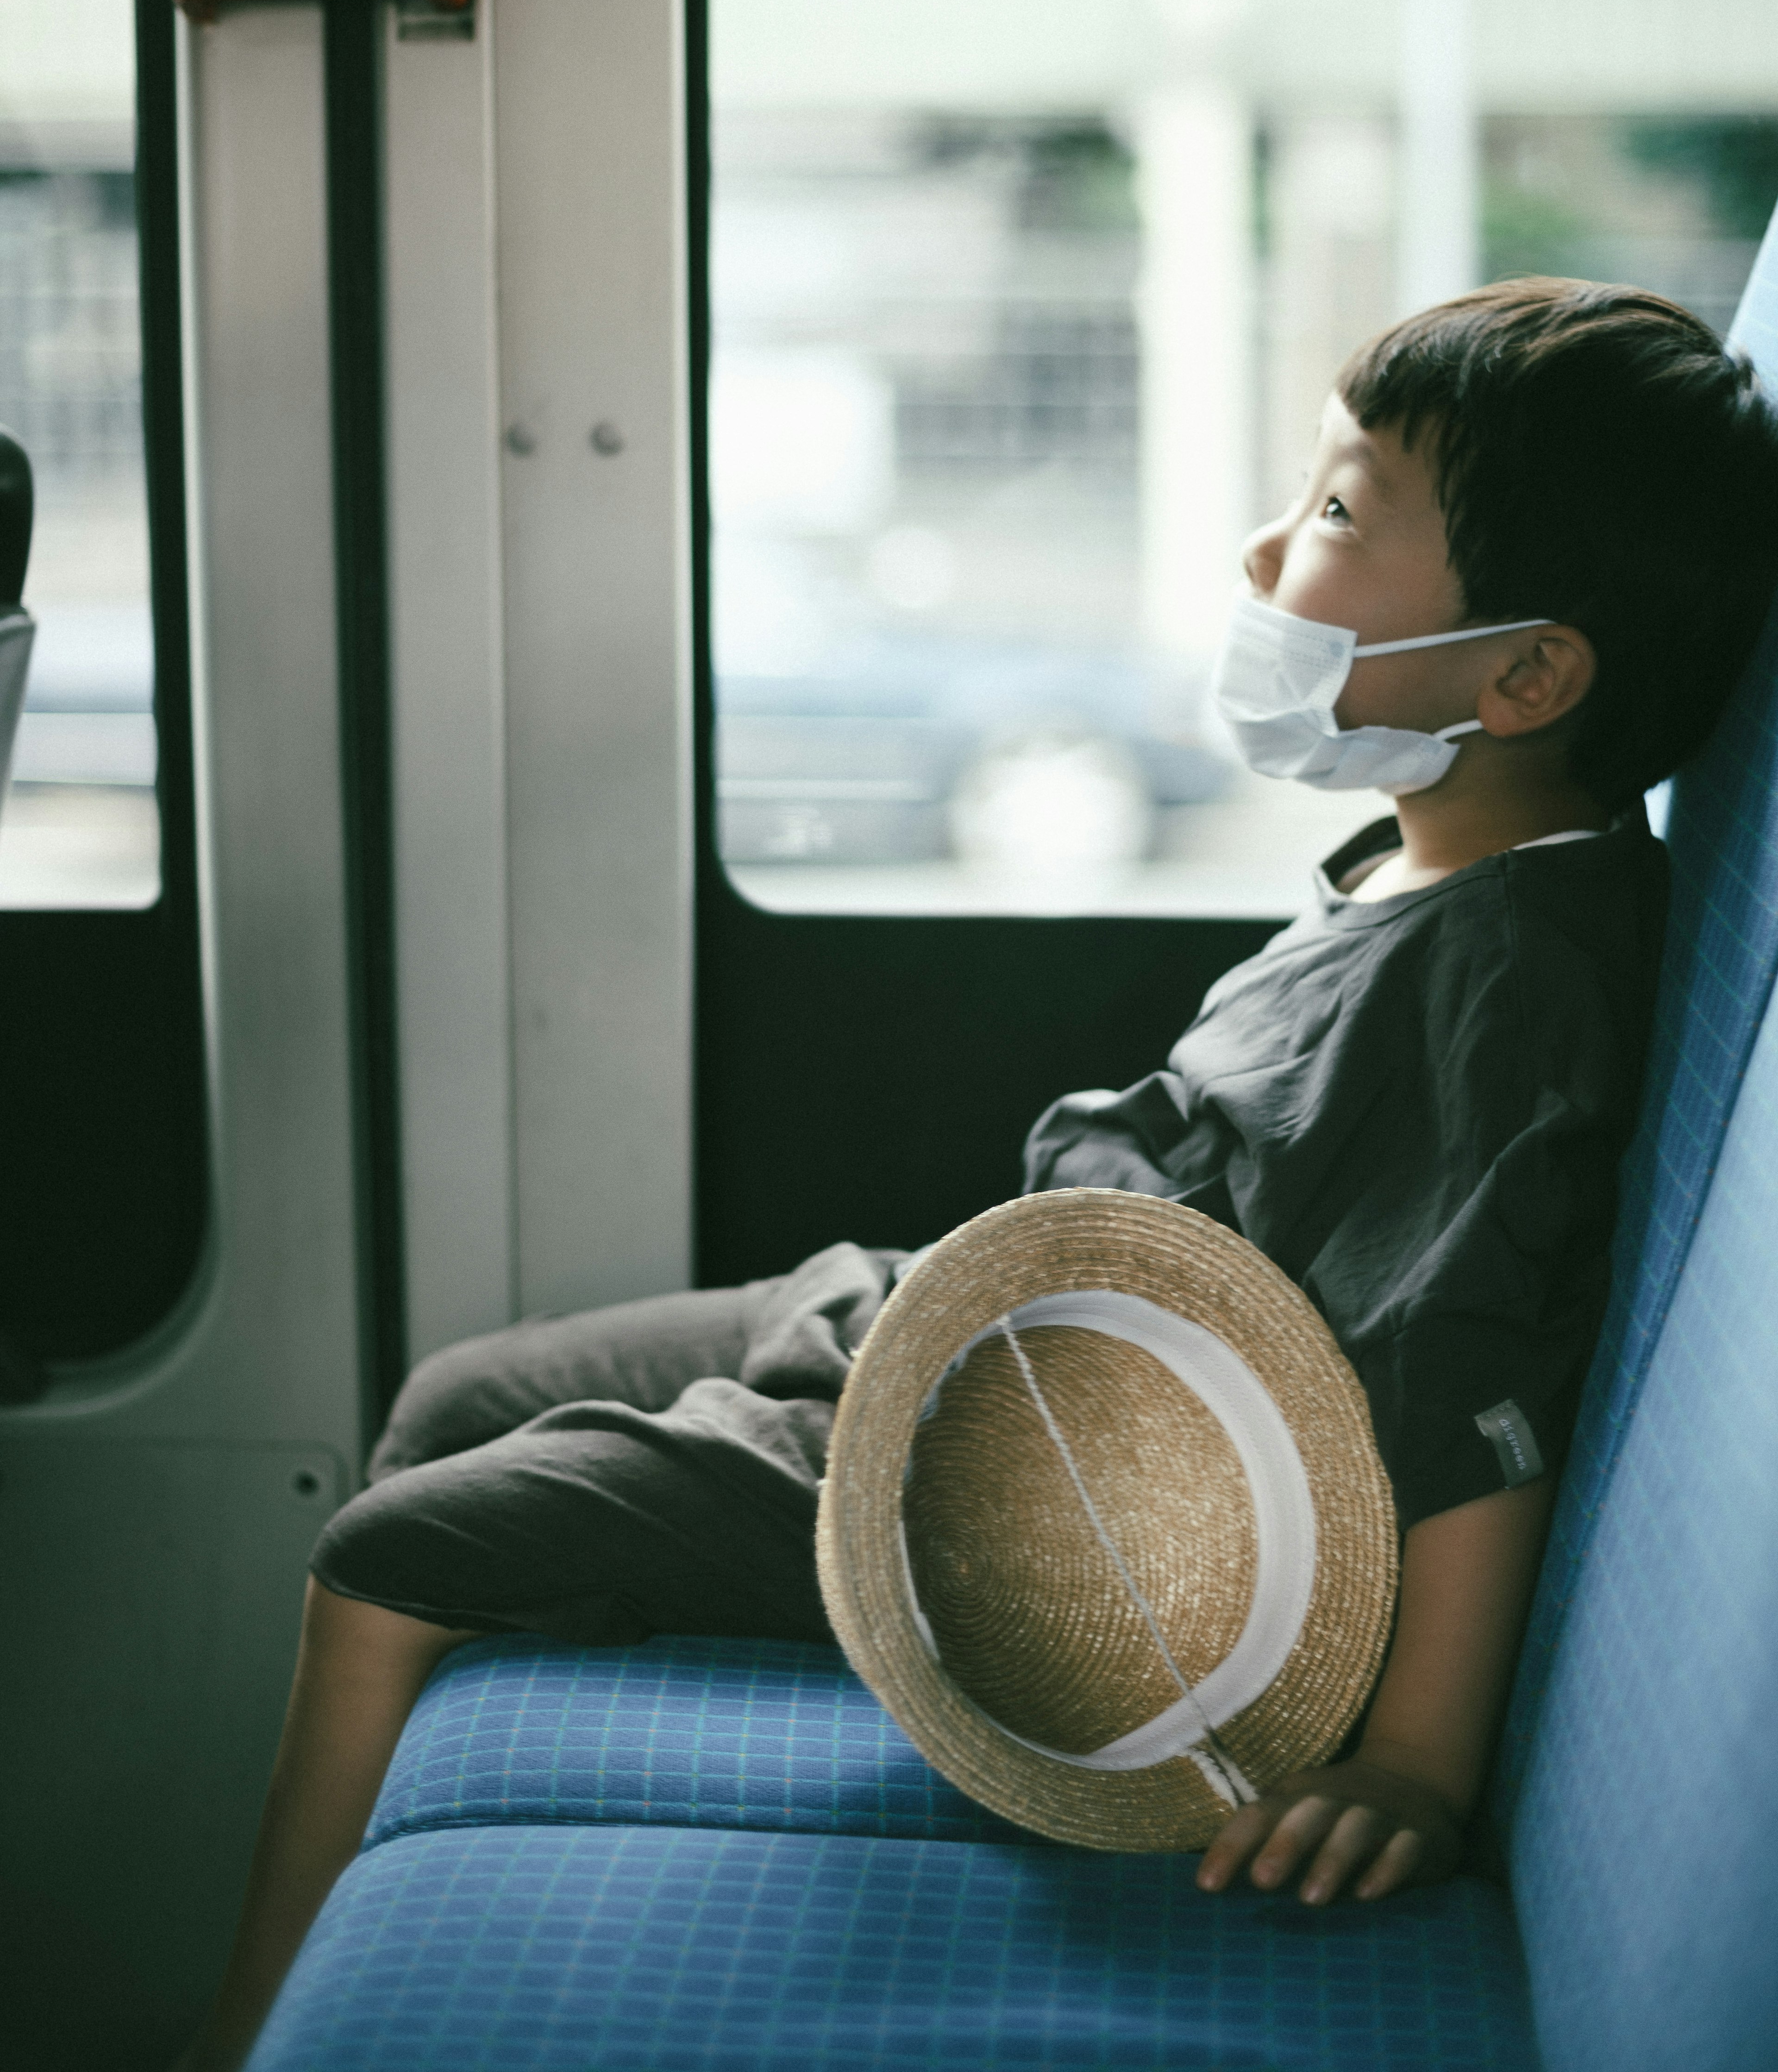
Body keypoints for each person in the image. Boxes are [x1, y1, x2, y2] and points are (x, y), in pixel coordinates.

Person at [179, 279, 1778, 2069]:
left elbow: (1477, 1387)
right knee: (467, 1389)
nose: (1268, 553)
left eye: (1337, 514)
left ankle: (243, 2040)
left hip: (1073, 1471)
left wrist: (1415, 1758)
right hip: (990, 1298)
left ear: (1528, 671)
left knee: (394, 1546)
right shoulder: (1435, 866)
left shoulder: (1510, 984)